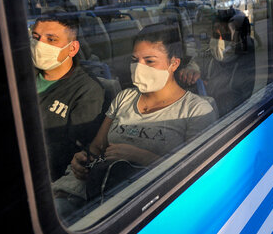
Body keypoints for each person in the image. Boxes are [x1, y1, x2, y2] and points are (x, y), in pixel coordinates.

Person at [70, 26, 217, 180]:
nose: (139, 67)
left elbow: (194, 173)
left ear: (173, 63)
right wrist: (83, 160)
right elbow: (97, 148)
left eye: (149, 61)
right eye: (135, 60)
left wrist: (141, 157)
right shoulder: (124, 98)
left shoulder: (196, 110)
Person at [30, 11, 105, 181]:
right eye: (36, 37)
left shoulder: (87, 91)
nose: (39, 45)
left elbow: (73, 152)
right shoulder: (20, 77)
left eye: (51, 40)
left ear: (72, 48)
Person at [178, 8, 255, 116]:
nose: (218, 41)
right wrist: (191, 71)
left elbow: (240, 106)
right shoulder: (210, 55)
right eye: (215, 35)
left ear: (240, 38)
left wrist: (209, 87)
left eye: (226, 36)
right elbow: (197, 62)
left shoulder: (251, 62)